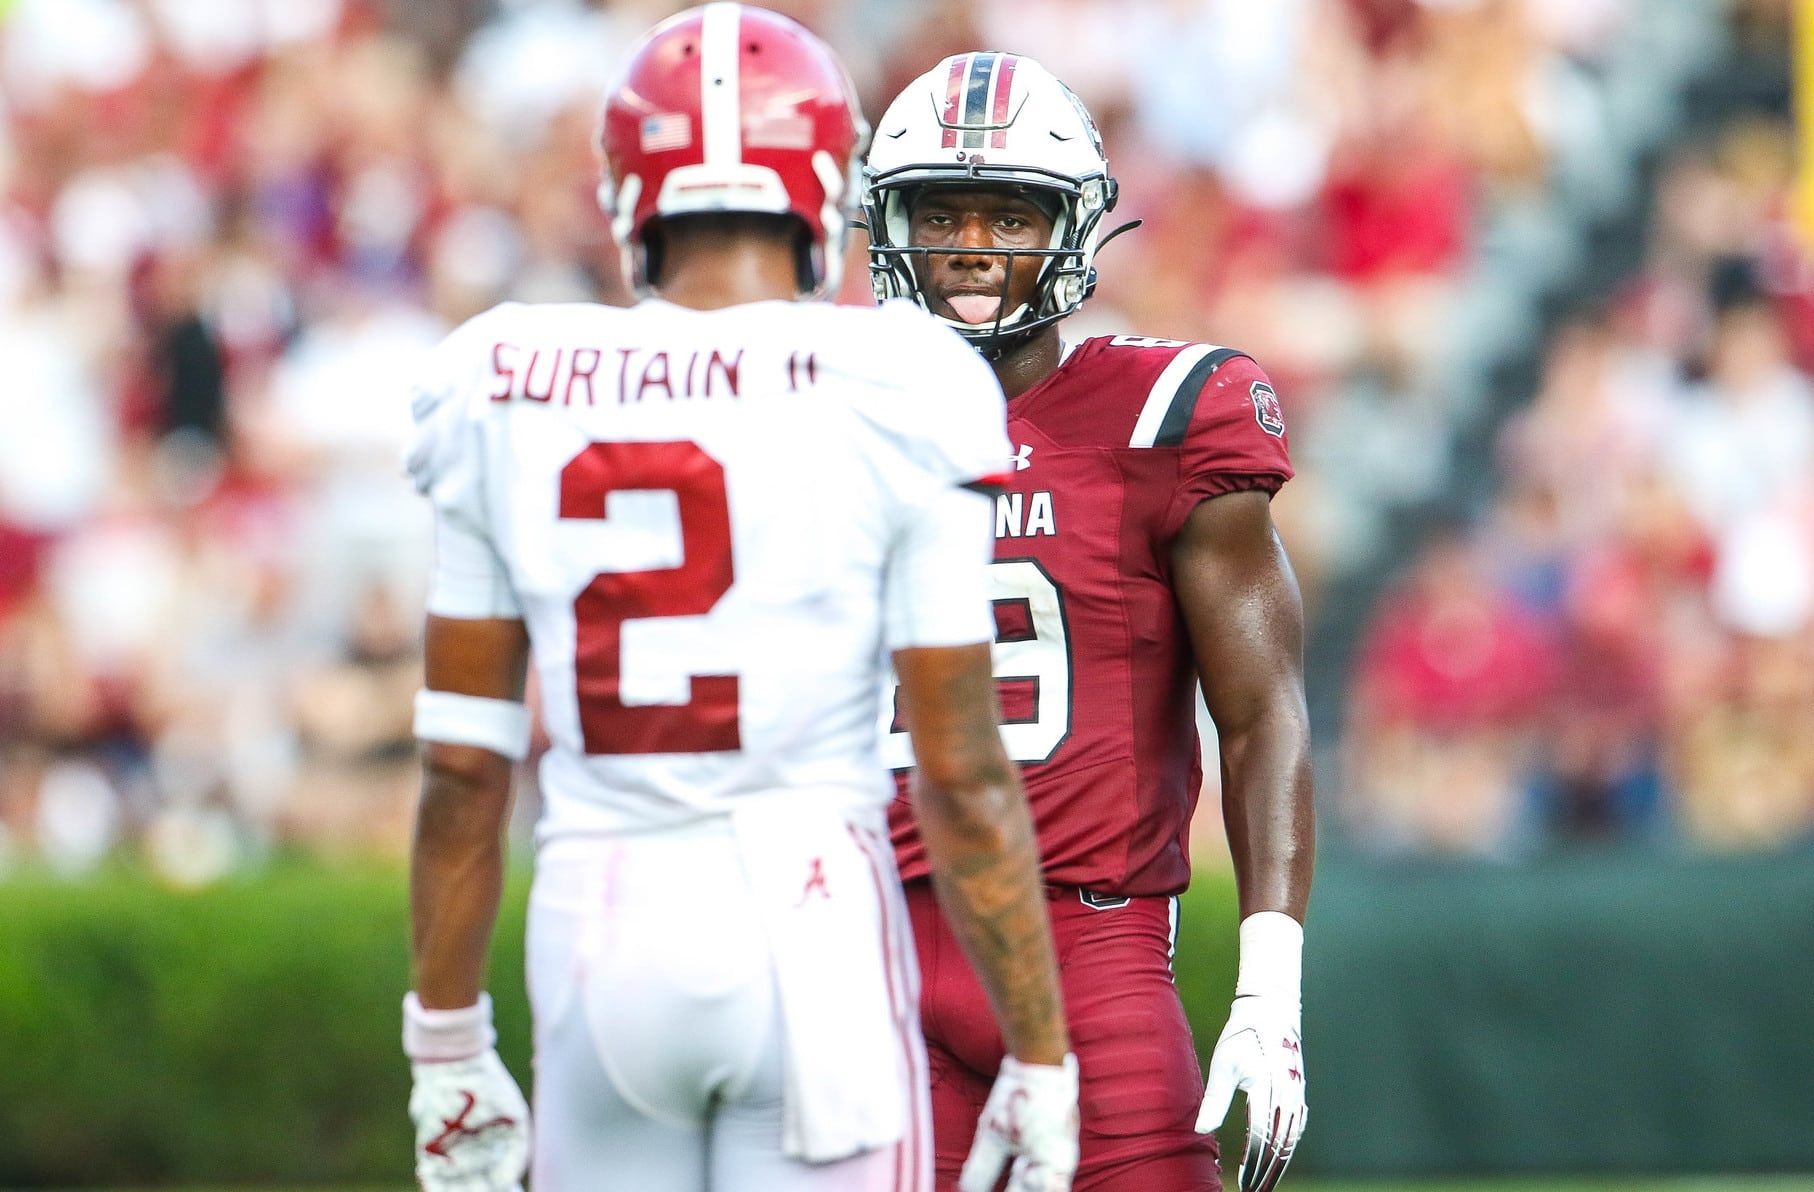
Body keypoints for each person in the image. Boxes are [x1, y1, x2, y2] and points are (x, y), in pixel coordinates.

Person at [401, 11, 1080, 1192]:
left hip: (595, 921)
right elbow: (961, 771)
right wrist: (1040, 1053)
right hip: (804, 919)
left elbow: (464, 765)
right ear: (825, 182)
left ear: (629, 190)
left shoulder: (499, 375)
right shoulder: (897, 379)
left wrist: (445, 1045)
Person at [865, 53, 1316, 1192]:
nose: (972, 243)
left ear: (1070, 227)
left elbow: (1260, 709)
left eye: (1007, 213)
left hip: (1089, 939)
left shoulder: (1164, 414)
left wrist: (1268, 984)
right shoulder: (828, 416)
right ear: (888, 224)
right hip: (870, 943)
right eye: (943, 211)